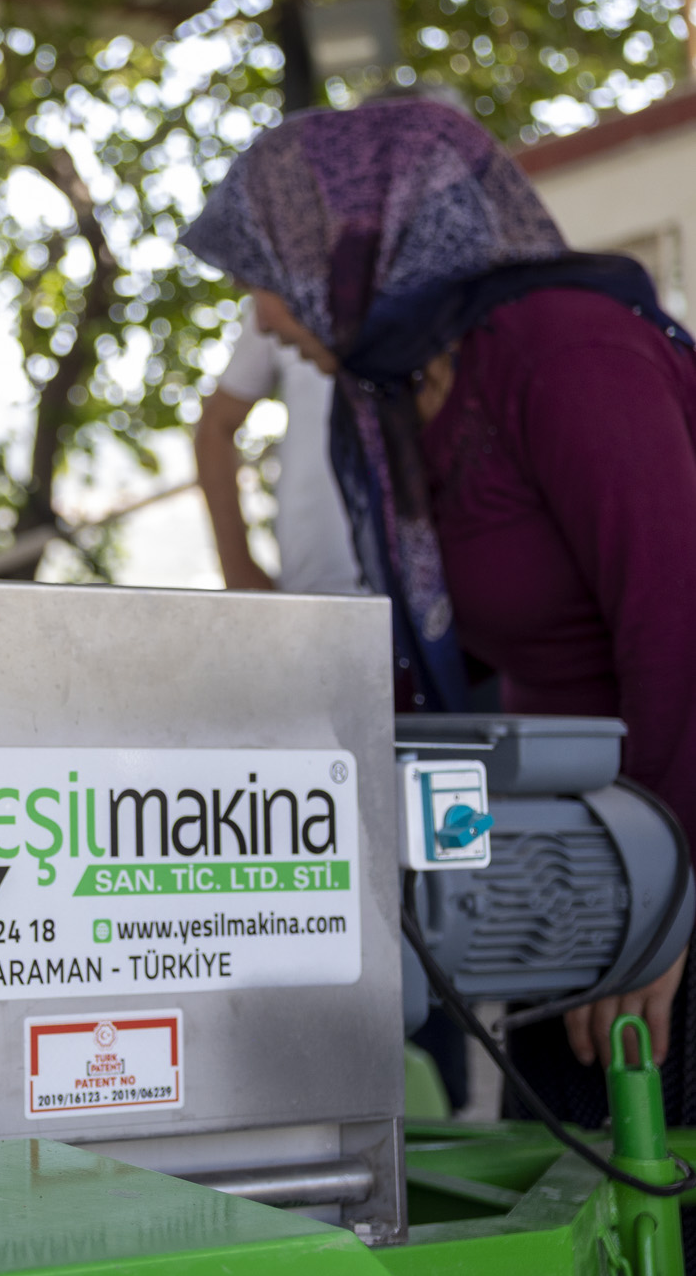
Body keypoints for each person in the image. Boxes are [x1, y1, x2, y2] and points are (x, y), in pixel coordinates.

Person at [181, 99, 696, 1119]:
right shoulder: (394, 401)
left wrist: (664, 903)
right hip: (578, 866)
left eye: (269, 277)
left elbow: (678, 622)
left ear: (365, 244)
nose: (263, 318)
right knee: (569, 1208)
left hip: (670, 846)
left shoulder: (567, 351)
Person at [193, 308, 363, 596]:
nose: (263, 319)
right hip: (316, 590)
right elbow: (215, 426)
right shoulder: (279, 288)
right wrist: (238, 572)